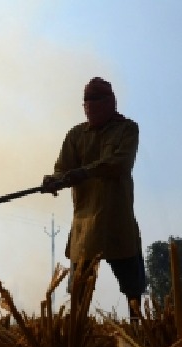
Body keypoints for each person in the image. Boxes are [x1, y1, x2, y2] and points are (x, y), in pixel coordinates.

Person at [41, 77, 146, 322]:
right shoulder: (76, 135)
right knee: (79, 291)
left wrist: (85, 172)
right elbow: (63, 169)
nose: (90, 106)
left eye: (95, 101)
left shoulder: (127, 129)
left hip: (117, 221)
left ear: (110, 102)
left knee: (133, 288)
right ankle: (76, 334)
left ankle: (138, 332)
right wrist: (54, 180)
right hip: (85, 225)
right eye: (86, 102)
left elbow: (121, 163)